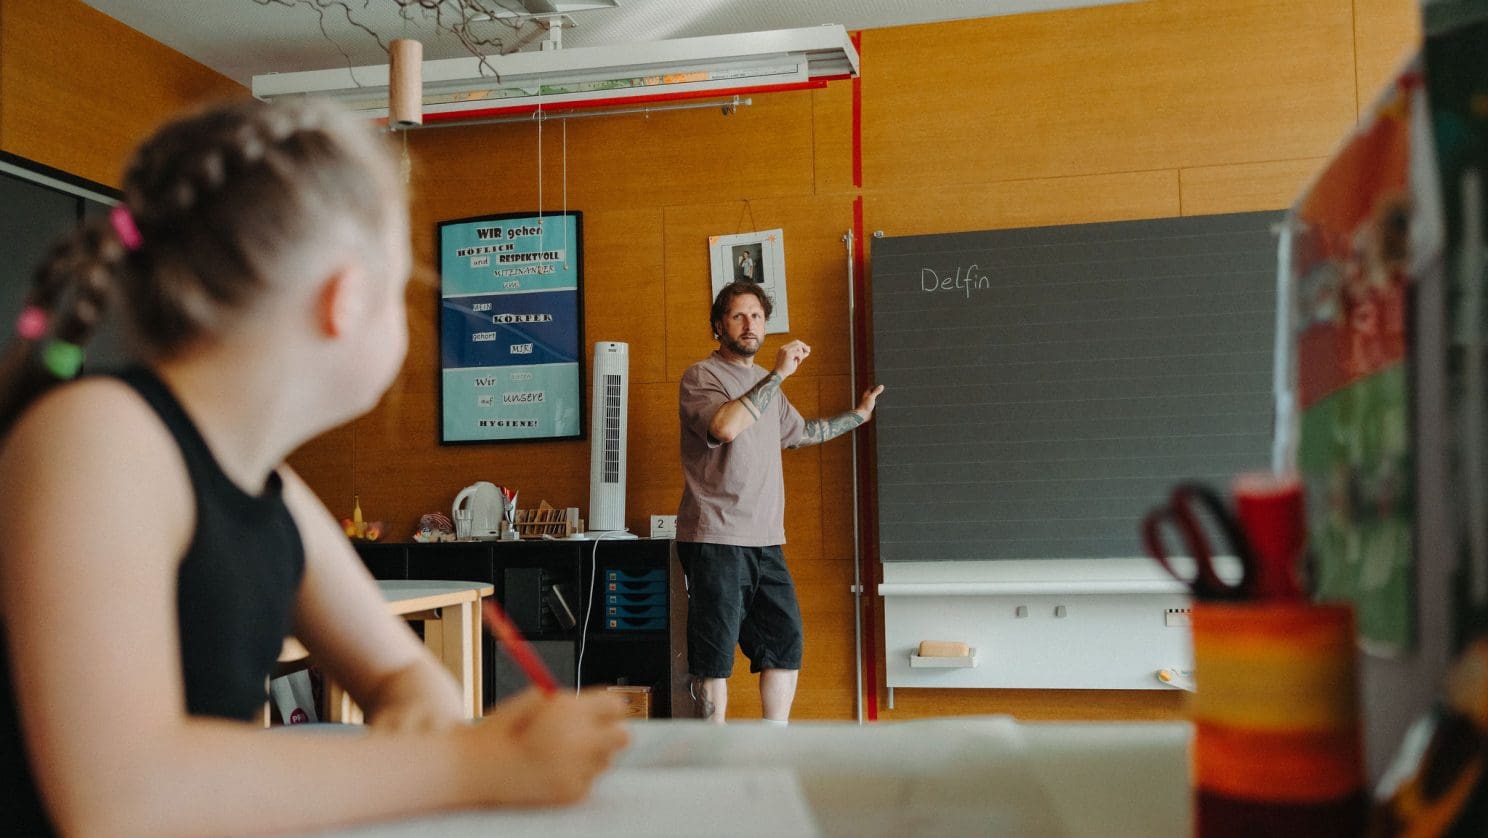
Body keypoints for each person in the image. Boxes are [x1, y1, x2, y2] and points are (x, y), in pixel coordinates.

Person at [0, 97, 628, 836]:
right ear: (347, 299)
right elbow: (120, 800)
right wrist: (471, 765)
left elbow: (402, 673)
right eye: (398, 293)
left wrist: (426, 724)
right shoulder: (98, 440)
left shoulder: (273, 488)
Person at [676, 281, 883, 724]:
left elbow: (803, 433)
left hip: (766, 540)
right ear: (718, 326)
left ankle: (774, 745)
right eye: (738, 315)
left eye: (757, 316)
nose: (750, 324)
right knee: (714, 658)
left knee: (784, 646)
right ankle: (712, 756)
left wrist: (859, 416)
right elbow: (725, 427)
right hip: (716, 535)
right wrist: (777, 375)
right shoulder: (702, 376)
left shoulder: (768, 386)